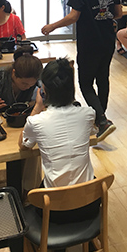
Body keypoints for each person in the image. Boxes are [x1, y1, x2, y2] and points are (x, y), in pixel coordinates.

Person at [41, 0, 121, 142]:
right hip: (107, 41)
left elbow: (73, 16)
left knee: (85, 83)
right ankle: (101, 119)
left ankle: (102, 121)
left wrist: (52, 26)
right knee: (102, 78)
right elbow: (118, 13)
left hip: (89, 42)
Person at [18, 57, 96, 187]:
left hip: (53, 197)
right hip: (89, 194)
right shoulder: (88, 114)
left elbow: (23, 145)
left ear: (43, 90)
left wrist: (37, 107)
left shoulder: (36, 121)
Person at [0, 46, 43, 114]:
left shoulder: (37, 75)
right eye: (24, 83)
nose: (27, 87)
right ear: (14, 72)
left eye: (31, 85)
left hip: (23, 115)